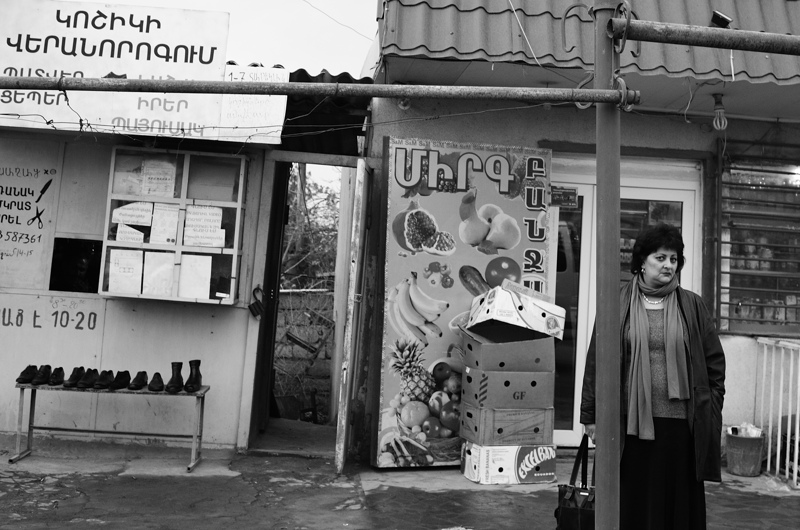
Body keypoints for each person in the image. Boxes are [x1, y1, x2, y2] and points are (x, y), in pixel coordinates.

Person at [580, 223, 725, 529]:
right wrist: (590, 416)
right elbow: (596, 362)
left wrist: (711, 407)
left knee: (677, 509)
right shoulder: (616, 304)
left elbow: (714, 364)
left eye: (673, 259)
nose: (668, 266)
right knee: (633, 504)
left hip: (681, 429)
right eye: (660, 258)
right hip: (630, 426)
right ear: (642, 261)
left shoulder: (692, 305)